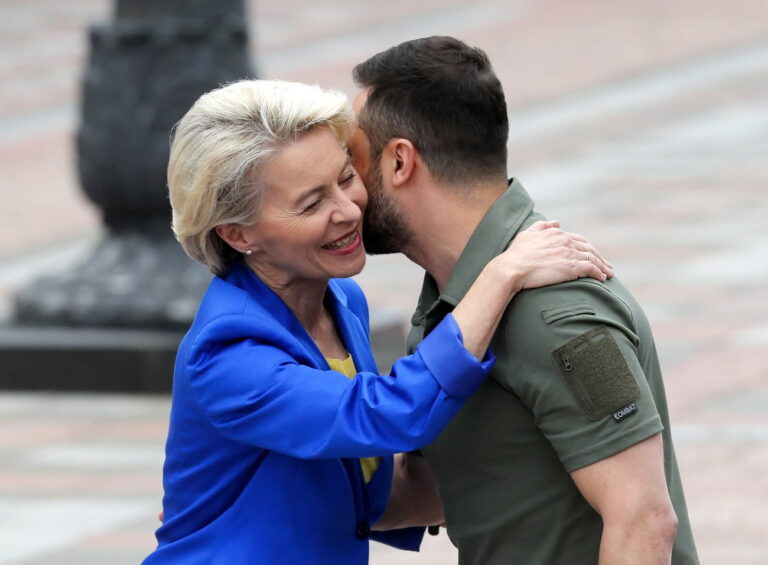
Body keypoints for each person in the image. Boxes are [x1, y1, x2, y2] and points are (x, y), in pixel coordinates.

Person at [143, 79, 613, 564]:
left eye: (346, 178)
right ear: (238, 234)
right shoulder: (227, 354)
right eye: (311, 203)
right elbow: (387, 415)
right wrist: (501, 275)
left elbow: (364, 487)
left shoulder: (342, 300)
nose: (348, 211)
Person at [350, 36, 699, 564]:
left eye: (351, 160)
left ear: (400, 161)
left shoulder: (554, 313)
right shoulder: (458, 299)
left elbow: (644, 520)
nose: (343, 189)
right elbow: (437, 485)